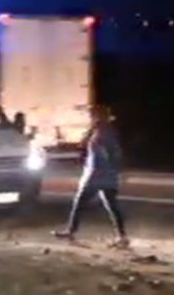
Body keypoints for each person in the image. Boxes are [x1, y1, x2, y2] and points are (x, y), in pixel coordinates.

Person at [53, 105, 128, 246]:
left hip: (98, 174)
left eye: (93, 115)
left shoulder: (104, 132)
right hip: (103, 174)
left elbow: (113, 152)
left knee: (81, 203)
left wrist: (115, 167)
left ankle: (71, 231)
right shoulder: (99, 130)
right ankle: (122, 236)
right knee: (111, 206)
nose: (91, 118)